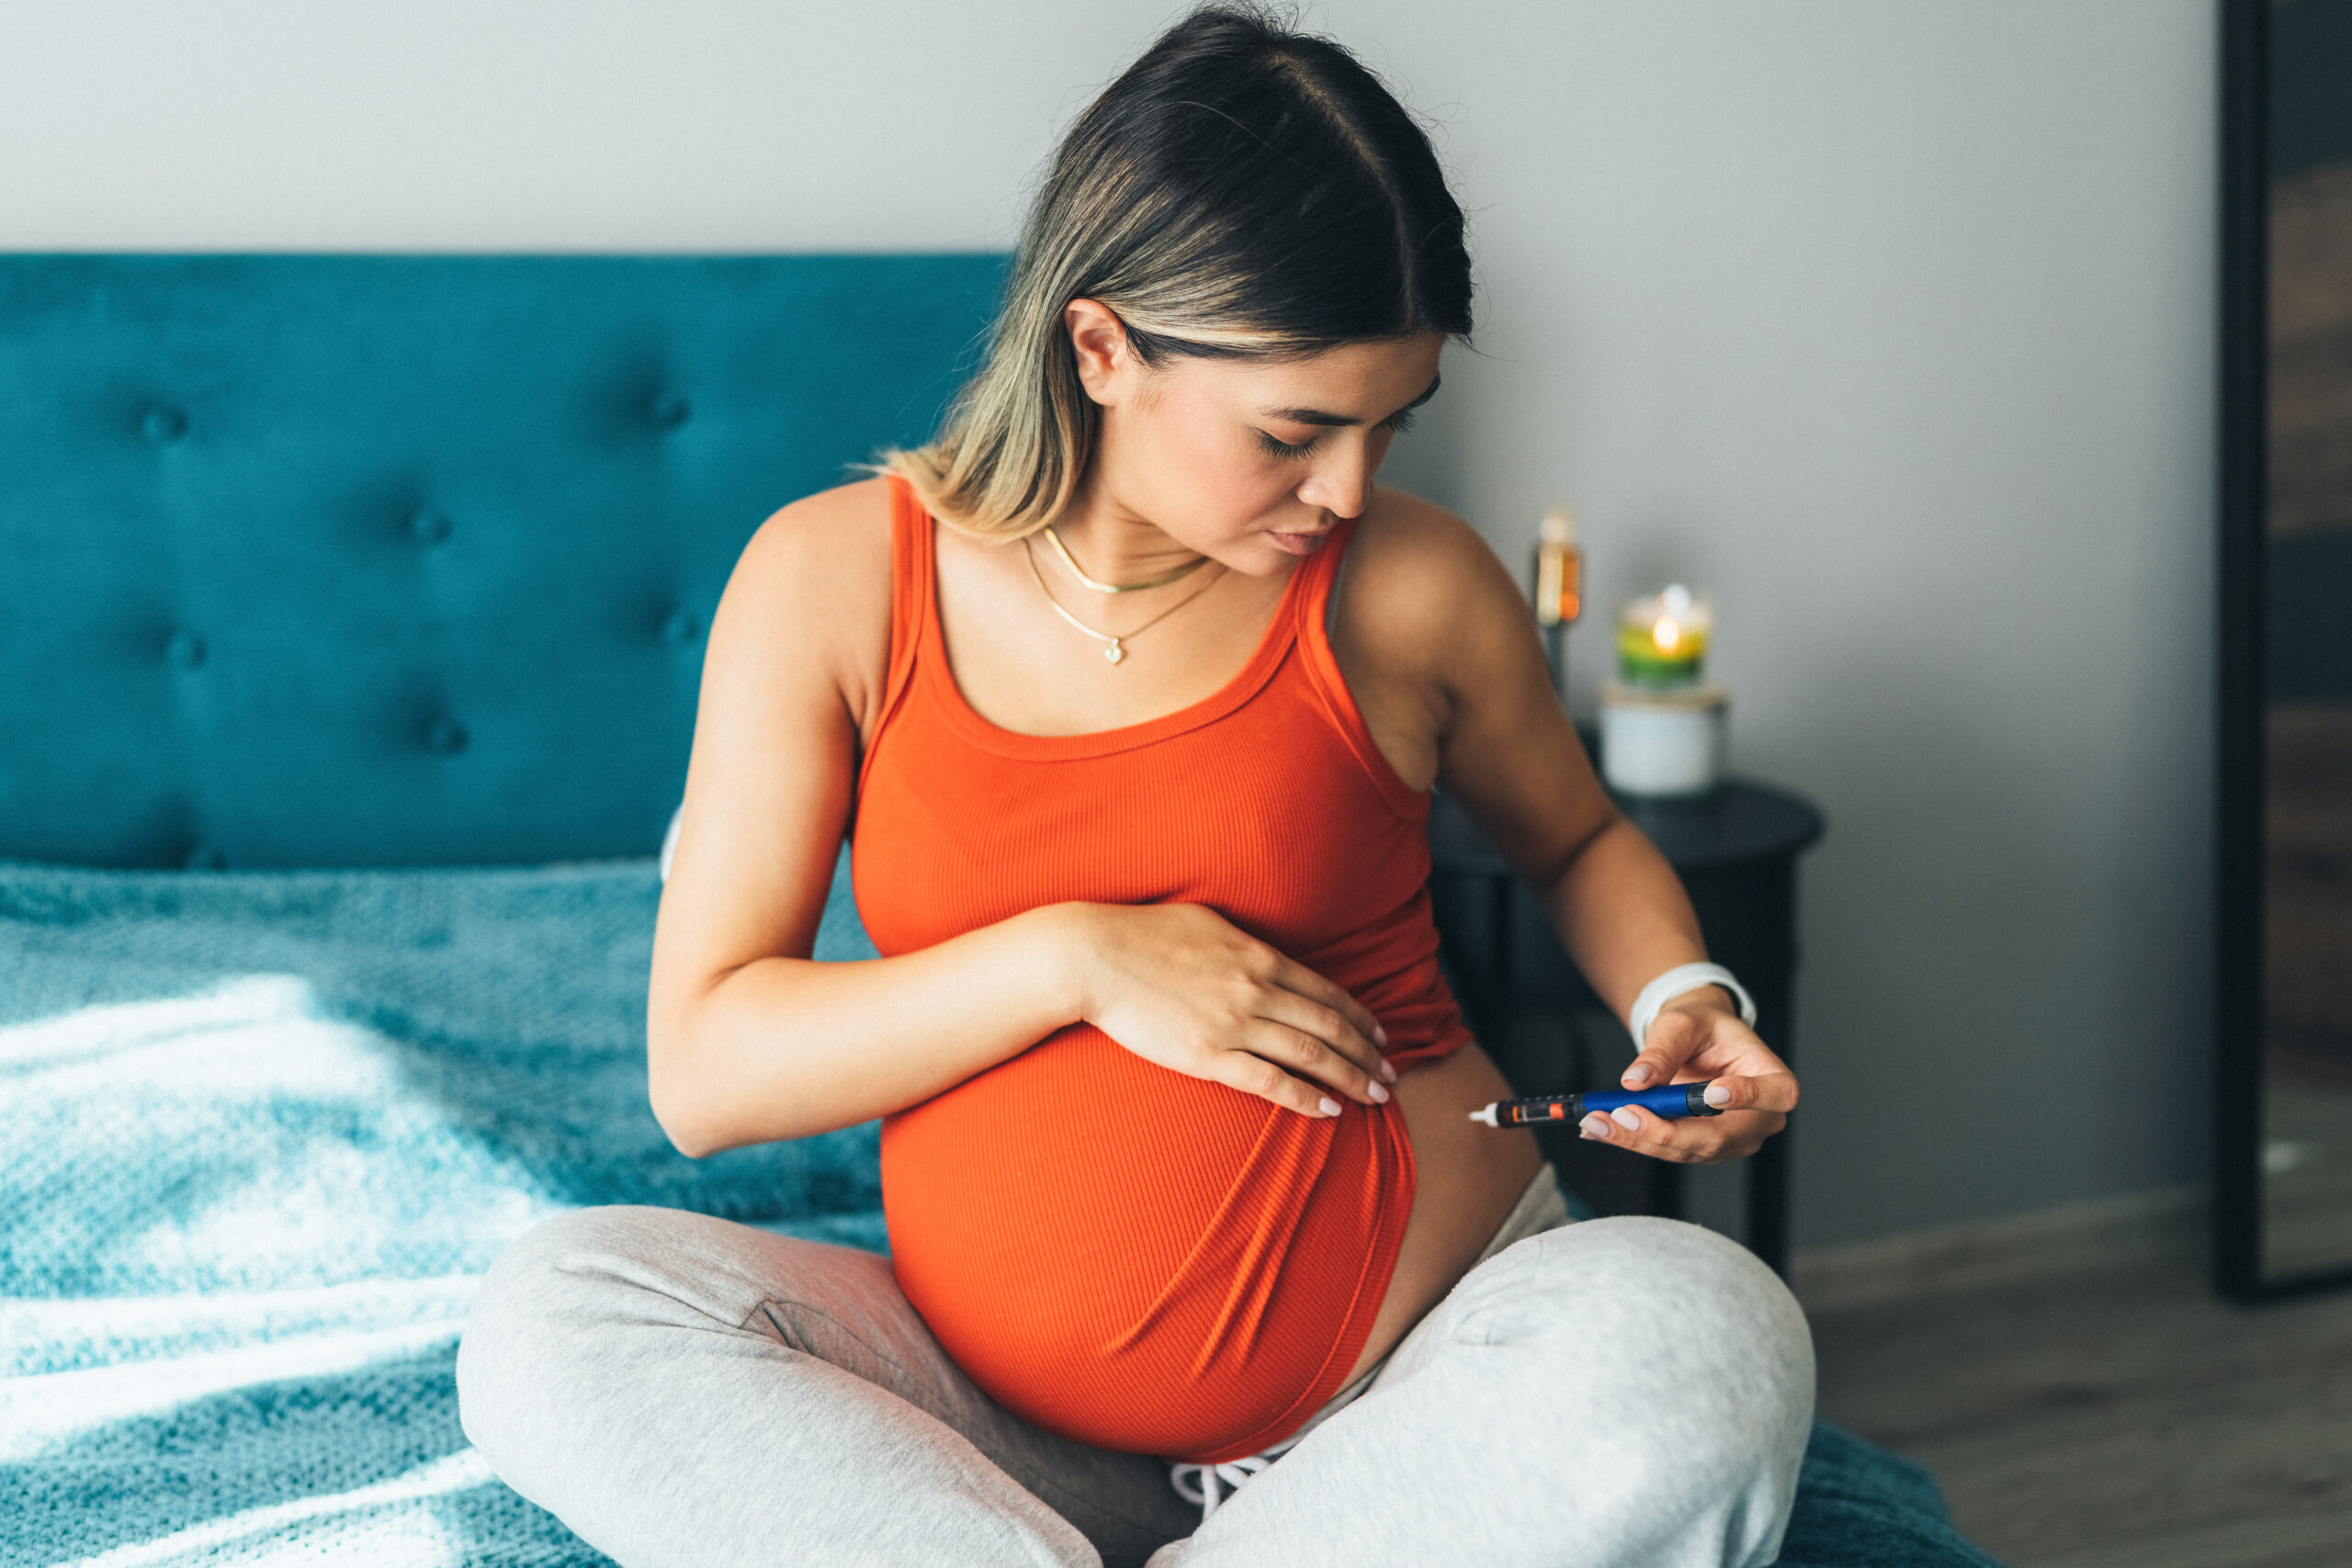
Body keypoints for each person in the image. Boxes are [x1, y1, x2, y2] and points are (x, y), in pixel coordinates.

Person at [457, 7, 1812, 1565]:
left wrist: (1681, 994)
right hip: (975, 1424)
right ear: (1101, 348)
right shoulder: (833, 584)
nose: (1352, 491)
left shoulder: (1414, 589)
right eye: (1295, 432)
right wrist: (1078, 957)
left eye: (1391, 425)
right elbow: (705, 1074)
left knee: (1710, 1332)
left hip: (1410, 1388)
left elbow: (1576, 839)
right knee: (555, 1315)